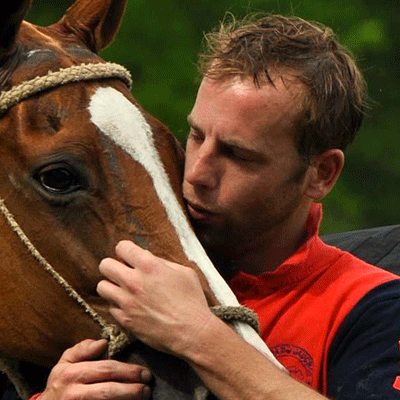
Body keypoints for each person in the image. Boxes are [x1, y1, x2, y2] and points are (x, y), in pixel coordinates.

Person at [30, 13, 400, 400]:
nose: (198, 172)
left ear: (321, 173)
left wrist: (196, 333)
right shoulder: (107, 274)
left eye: (238, 155)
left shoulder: (374, 307)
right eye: (196, 135)